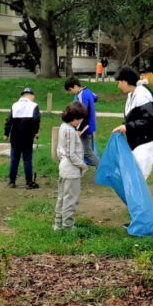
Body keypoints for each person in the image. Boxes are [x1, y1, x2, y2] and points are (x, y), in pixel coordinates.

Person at [111, 66, 153, 179]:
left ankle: (138, 197)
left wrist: (128, 127)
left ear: (125, 81)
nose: (118, 85)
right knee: (133, 176)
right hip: (138, 142)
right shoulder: (132, 94)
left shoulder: (142, 95)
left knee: (136, 177)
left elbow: (151, 120)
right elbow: (132, 117)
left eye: (119, 82)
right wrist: (124, 125)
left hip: (147, 142)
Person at [54, 101, 88, 230]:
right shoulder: (70, 131)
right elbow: (71, 154)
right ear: (73, 118)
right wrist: (83, 165)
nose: (80, 122)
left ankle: (58, 223)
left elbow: (60, 150)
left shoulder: (63, 127)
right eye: (79, 120)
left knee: (62, 197)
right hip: (71, 170)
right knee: (70, 199)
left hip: (64, 167)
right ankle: (67, 225)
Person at [3, 87, 40, 188]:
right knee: (27, 159)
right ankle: (29, 182)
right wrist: (36, 132)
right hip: (28, 137)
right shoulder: (34, 105)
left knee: (14, 159)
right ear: (30, 95)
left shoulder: (15, 105)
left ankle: (12, 181)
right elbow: (36, 120)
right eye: (33, 96)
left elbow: (9, 120)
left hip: (15, 137)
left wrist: (6, 133)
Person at [64, 76, 99, 167]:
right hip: (90, 125)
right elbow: (96, 97)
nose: (70, 92)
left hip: (85, 127)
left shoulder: (81, 94)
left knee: (87, 153)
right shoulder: (87, 91)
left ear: (75, 86)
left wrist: (79, 129)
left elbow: (83, 114)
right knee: (86, 150)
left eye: (70, 89)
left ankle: (103, 170)